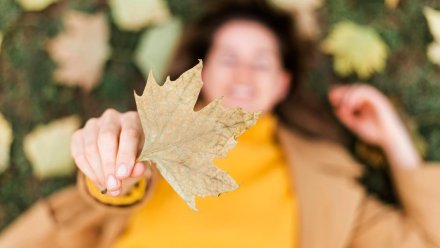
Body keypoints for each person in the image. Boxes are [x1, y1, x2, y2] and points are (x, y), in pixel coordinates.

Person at [1, 0, 440, 247]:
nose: (244, 74)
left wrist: (395, 142)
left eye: (261, 62)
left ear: (283, 83)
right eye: (229, 58)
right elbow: (116, 189)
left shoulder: (332, 186)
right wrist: (111, 165)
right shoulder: (154, 136)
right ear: (203, 72)